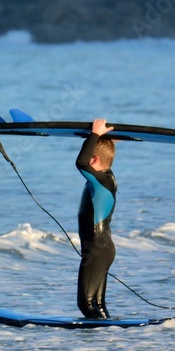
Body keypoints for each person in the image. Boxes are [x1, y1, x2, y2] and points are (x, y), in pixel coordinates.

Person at [75, 118, 117, 319]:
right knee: (96, 304)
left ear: (95, 160)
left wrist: (95, 135)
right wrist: (97, 139)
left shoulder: (101, 181)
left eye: (91, 157)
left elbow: (80, 162)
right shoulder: (104, 177)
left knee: (85, 303)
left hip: (96, 249)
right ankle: (107, 332)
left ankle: (103, 331)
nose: (88, 162)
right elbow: (88, 159)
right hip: (102, 247)